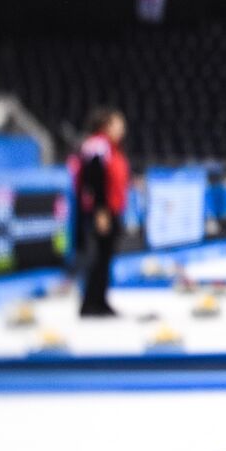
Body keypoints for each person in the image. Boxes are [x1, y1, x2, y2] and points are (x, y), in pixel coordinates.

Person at [76, 107, 130, 317]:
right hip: (101, 211)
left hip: (111, 209)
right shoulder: (98, 145)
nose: (122, 128)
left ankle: (100, 300)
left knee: (106, 256)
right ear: (106, 125)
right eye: (118, 123)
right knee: (97, 256)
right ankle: (90, 303)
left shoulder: (111, 147)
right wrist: (101, 211)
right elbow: (94, 179)